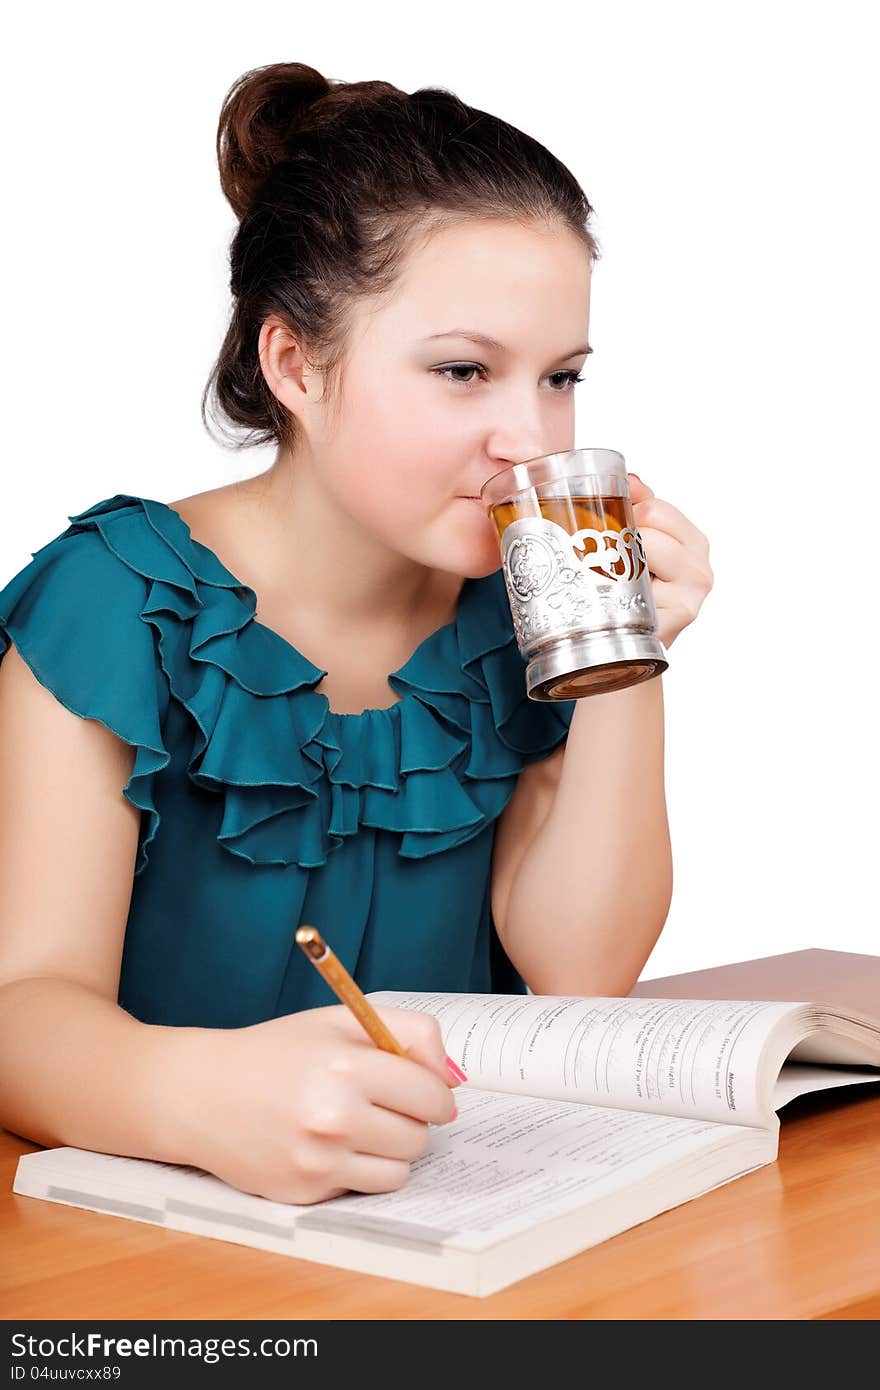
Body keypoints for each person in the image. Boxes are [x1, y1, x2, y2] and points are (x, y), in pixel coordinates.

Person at [0, 63, 709, 1206]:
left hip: (443, 1222)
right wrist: (204, 1096)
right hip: (165, 1237)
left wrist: (622, 659)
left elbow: (583, 972)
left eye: (561, 377)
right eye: (462, 371)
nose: (528, 438)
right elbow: (20, 1007)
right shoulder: (118, 600)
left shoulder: (510, 613)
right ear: (295, 365)